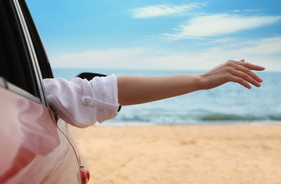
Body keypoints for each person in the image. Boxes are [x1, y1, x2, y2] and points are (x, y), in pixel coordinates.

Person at [43, 59, 265, 128]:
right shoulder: (42, 91)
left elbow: (99, 93)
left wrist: (202, 80)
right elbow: (99, 93)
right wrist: (201, 80)